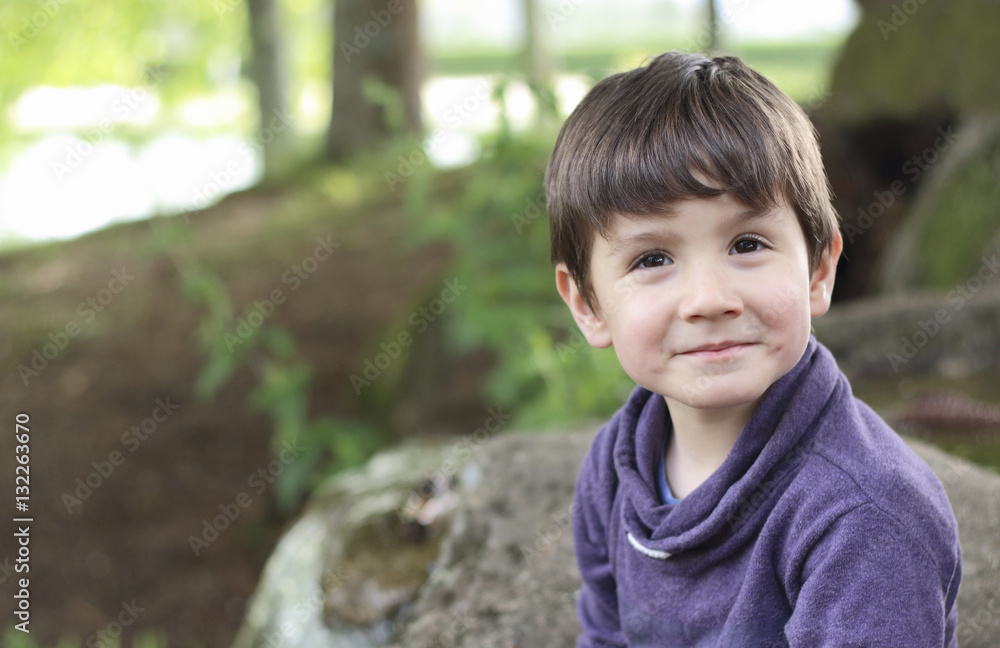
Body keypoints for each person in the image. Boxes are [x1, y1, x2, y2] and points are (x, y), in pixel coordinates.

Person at [546, 51, 962, 647]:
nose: (708, 299)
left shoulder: (864, 517)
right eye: (652, 259)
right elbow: (607, 635)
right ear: (587, 302)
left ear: (818, 270)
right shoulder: (617, 466)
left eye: (746, 243)